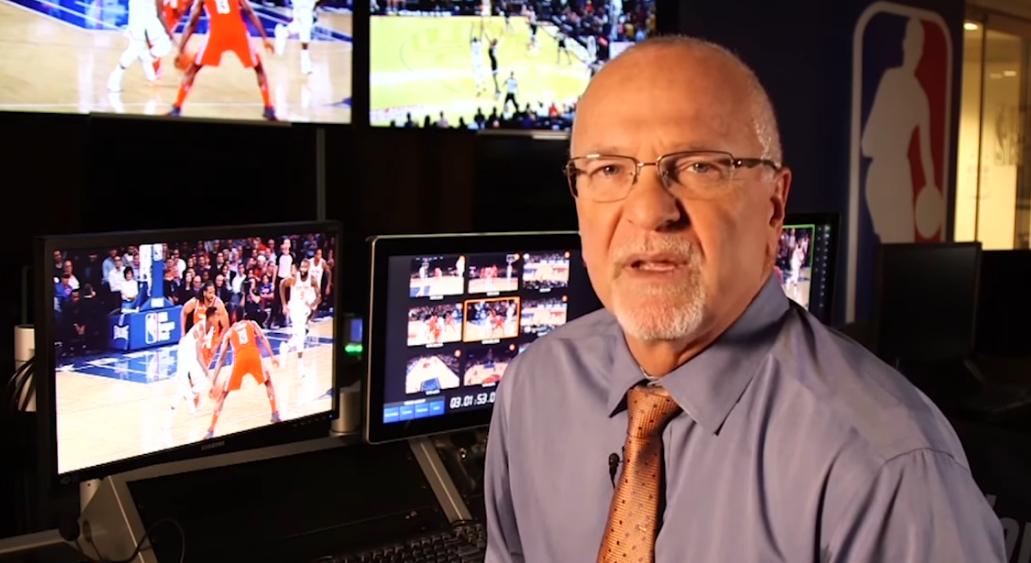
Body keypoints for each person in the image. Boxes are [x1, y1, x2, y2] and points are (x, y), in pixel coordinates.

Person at [484, 36, 1005, 562]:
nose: (649, 211)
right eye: (608, 169)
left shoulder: (890, 470)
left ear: (774, 206)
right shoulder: (533, 388)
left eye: (700, 167)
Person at [168, 0, 276, 120]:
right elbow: (249, 11)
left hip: (217, 33)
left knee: (193, 69)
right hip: (237, 32)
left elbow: (192, 23)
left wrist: (181, 48)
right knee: (259, 68)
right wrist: (265, 37)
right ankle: (269, 108)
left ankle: (177, 108)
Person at [205, 315, 280, 438]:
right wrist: (272, 356)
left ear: (233, 319)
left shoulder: (229, 332)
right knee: (268, 382)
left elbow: (221, 359)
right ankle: (275, 413)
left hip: (239, 360)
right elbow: (262, 337)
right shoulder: (251, 323)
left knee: (223, 394)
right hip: (253, 356)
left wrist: (213, 382)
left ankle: (211, 430)